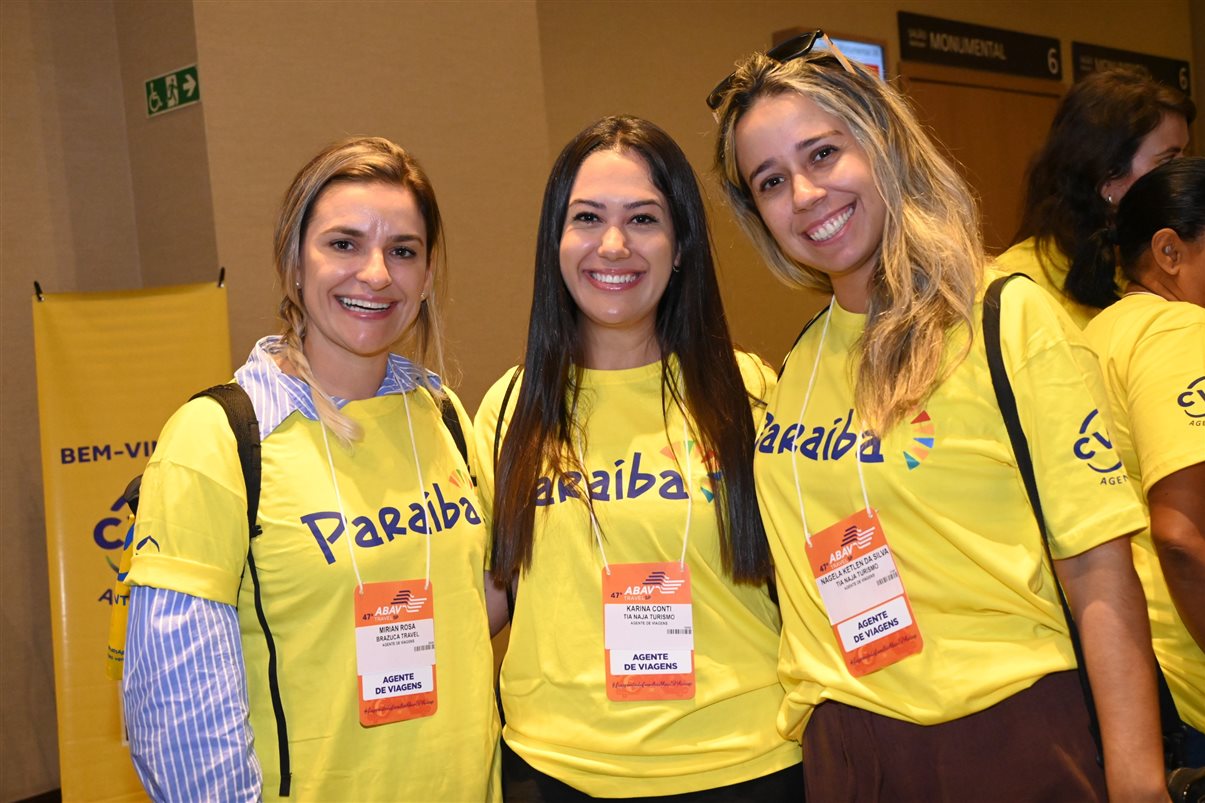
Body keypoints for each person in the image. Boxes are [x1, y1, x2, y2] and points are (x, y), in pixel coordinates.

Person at [709, 31, 1167, 801]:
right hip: (845, 746)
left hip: (1002, 736)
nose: (806, 195)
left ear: (883, 139)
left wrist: (1137, 778)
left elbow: (1096, 567)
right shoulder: (800, 361)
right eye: (771, 180)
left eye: (824, 154)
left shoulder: (1003, 317)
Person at [123, 137, 502, 801]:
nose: (377, 273)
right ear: (294, 261)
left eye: (403, 250)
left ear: (428, 273)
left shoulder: (443, 417)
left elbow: (476, 603)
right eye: (345, 243)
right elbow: (177, 719)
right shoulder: (217, 441)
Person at [474, 115, 802, 800]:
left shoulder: (753, 393)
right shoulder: (510, 408)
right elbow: (487, 595)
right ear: (555, 243)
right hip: (555, 770)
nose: (614, 245)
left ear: (680, 244)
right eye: (587, 217)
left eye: (644, 218)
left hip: (744, 765)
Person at [1082, 157, 1205, 767]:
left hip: (1135, 663)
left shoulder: (1100, 332)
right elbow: (1182, 535)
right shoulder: (1179, 331)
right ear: (1169, 250)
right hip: (1190, 672)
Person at [998, 67, 1195, 328]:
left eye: (1184, 156)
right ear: (1107, 180)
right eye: (1168, 160)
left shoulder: (1163, 266)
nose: (1182, 174)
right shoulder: (1015, 287)